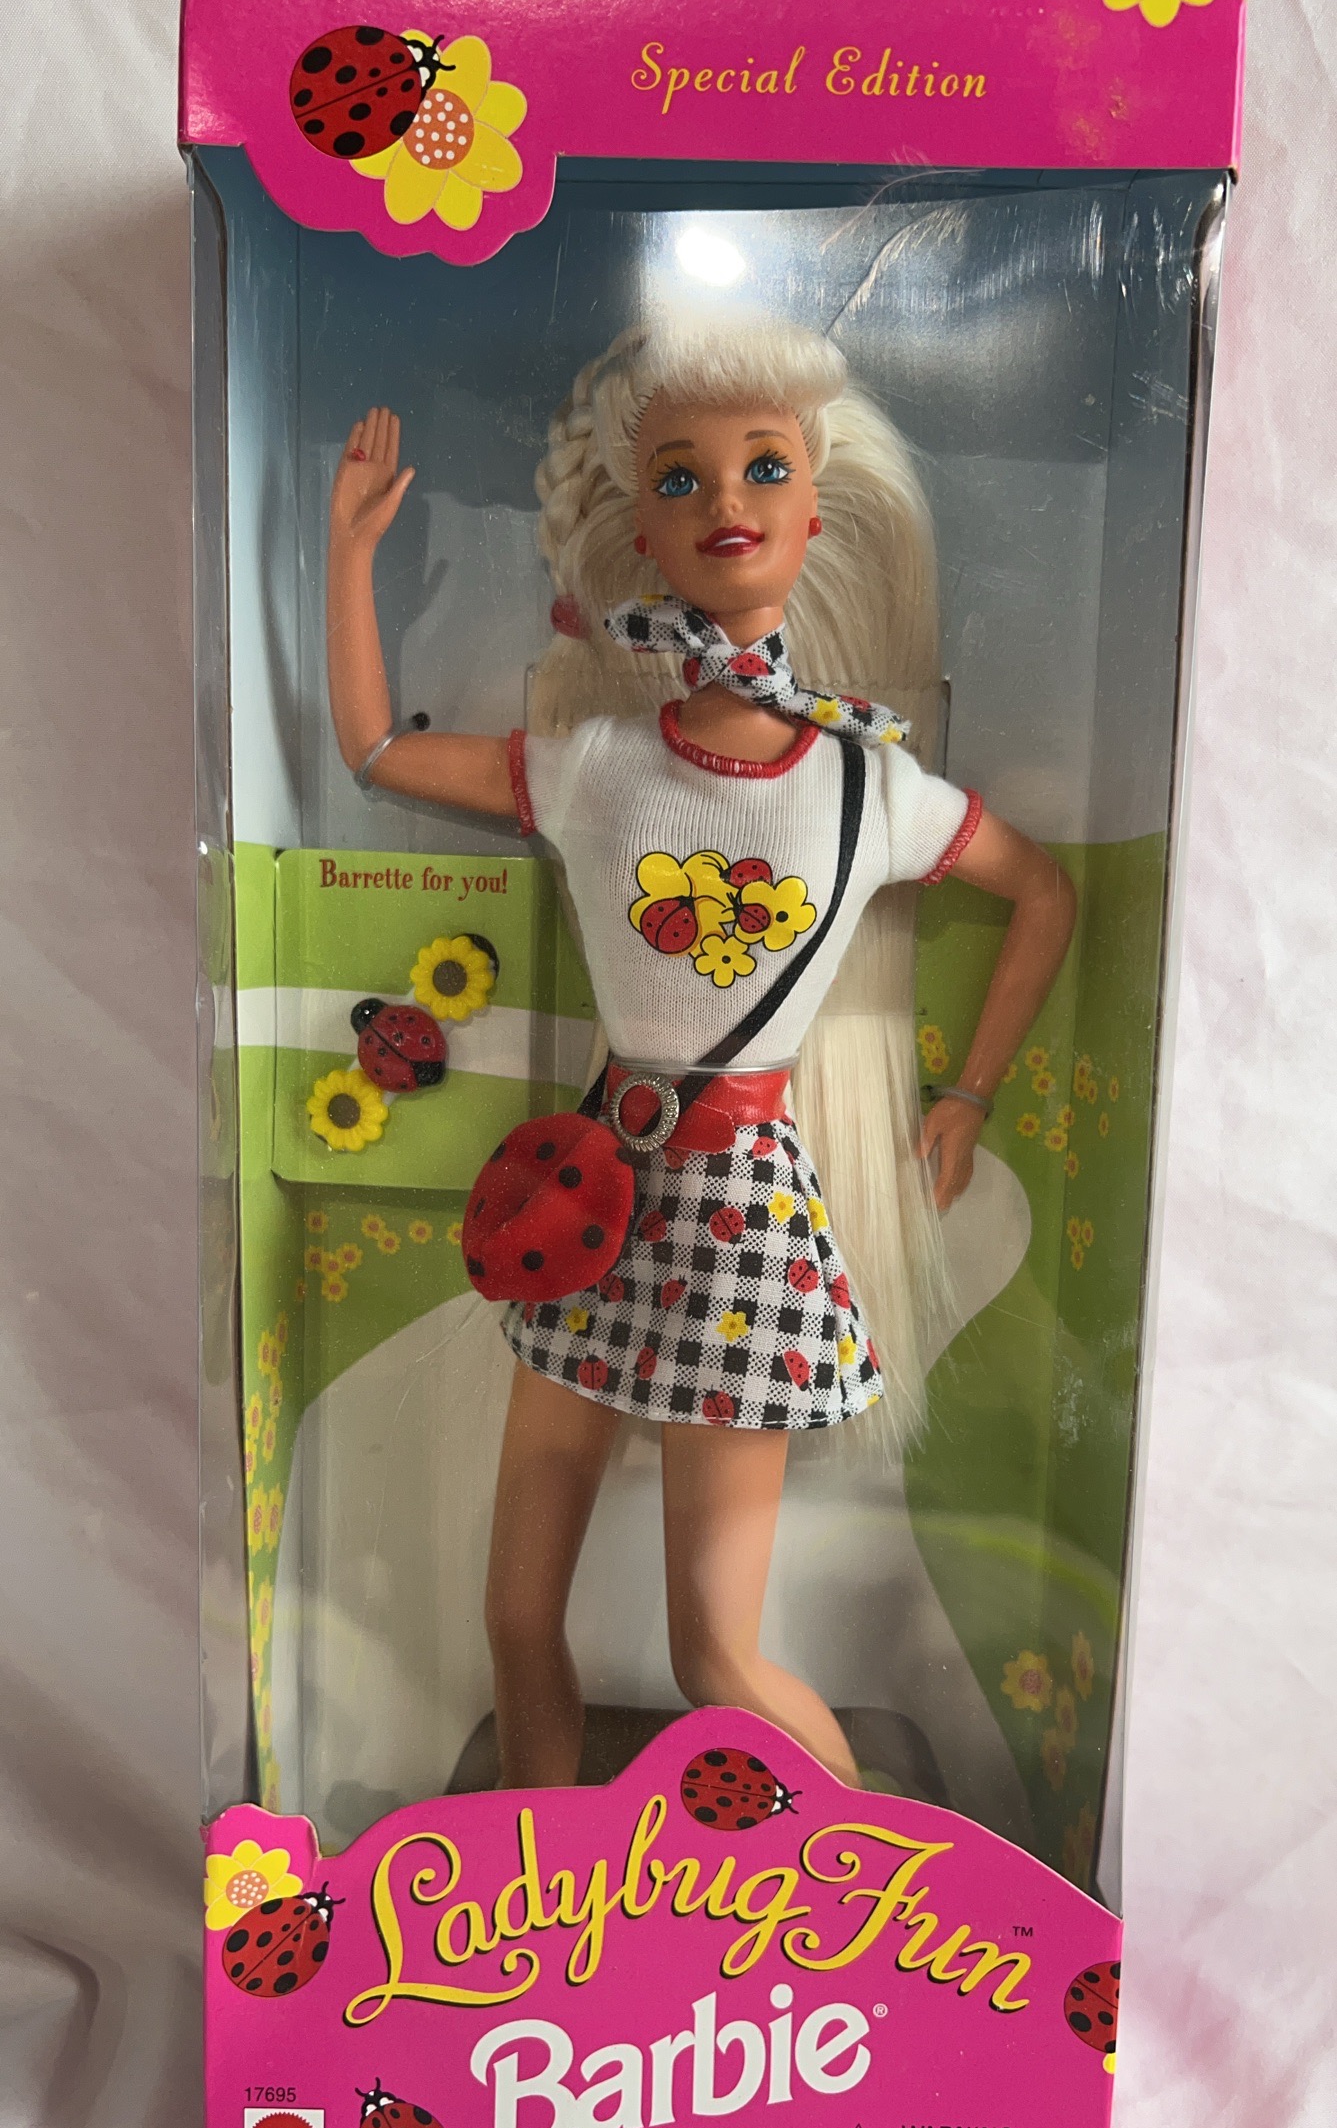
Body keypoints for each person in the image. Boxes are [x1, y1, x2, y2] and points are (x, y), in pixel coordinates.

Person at [326, 320, 1075, 1793]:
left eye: (763, 466)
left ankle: (878, 1883)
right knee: (514, 1618)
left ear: (815, 508)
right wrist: (351, 557)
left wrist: (969, 1095)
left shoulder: (869, 787)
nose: (726, 499)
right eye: (681, 477)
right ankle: (542, 1881)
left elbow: (1042, 894)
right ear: (645, 532)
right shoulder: (598, 769)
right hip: (590, 1199)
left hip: (740, 1217)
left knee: (715, 1656)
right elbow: (375, 751)